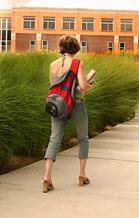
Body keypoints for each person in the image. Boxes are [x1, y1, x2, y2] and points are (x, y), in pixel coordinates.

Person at [43, 35, 93, 193]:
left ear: (61, 47)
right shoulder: (77, 63)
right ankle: (82, 175)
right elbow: (83, 87)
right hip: (76, 104)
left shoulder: (53, 64)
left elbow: (53, 85)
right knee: (83, 138)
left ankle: (47, 177)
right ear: (76, 48)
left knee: (54, 140)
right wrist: (88, 84)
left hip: (57, 105)